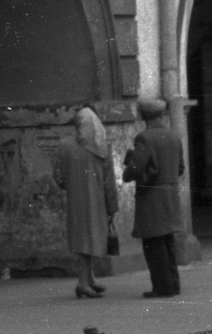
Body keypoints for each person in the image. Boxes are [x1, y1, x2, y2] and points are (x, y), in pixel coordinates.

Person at [123, 98, 185, 299]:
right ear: (161, 115)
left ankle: (162, 287)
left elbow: (136, 168)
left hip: (151, 197)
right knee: (167, 242)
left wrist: (128, 169)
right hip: (170, 195)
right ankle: (173, 285)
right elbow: (181, 168)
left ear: (143, 116)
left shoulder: (144, 138)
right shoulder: (174, 136)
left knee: (153, 244)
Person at [63, 104, 119, 297]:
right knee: (91, 240)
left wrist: (72, 185)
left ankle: (90, 279)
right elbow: (109, 182)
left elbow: (58, 177)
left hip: (75, 202)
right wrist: (112, 207)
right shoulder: (102, 147)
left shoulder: (66, 145)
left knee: (83, 241)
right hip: (97, 203)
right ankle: (83, 283)